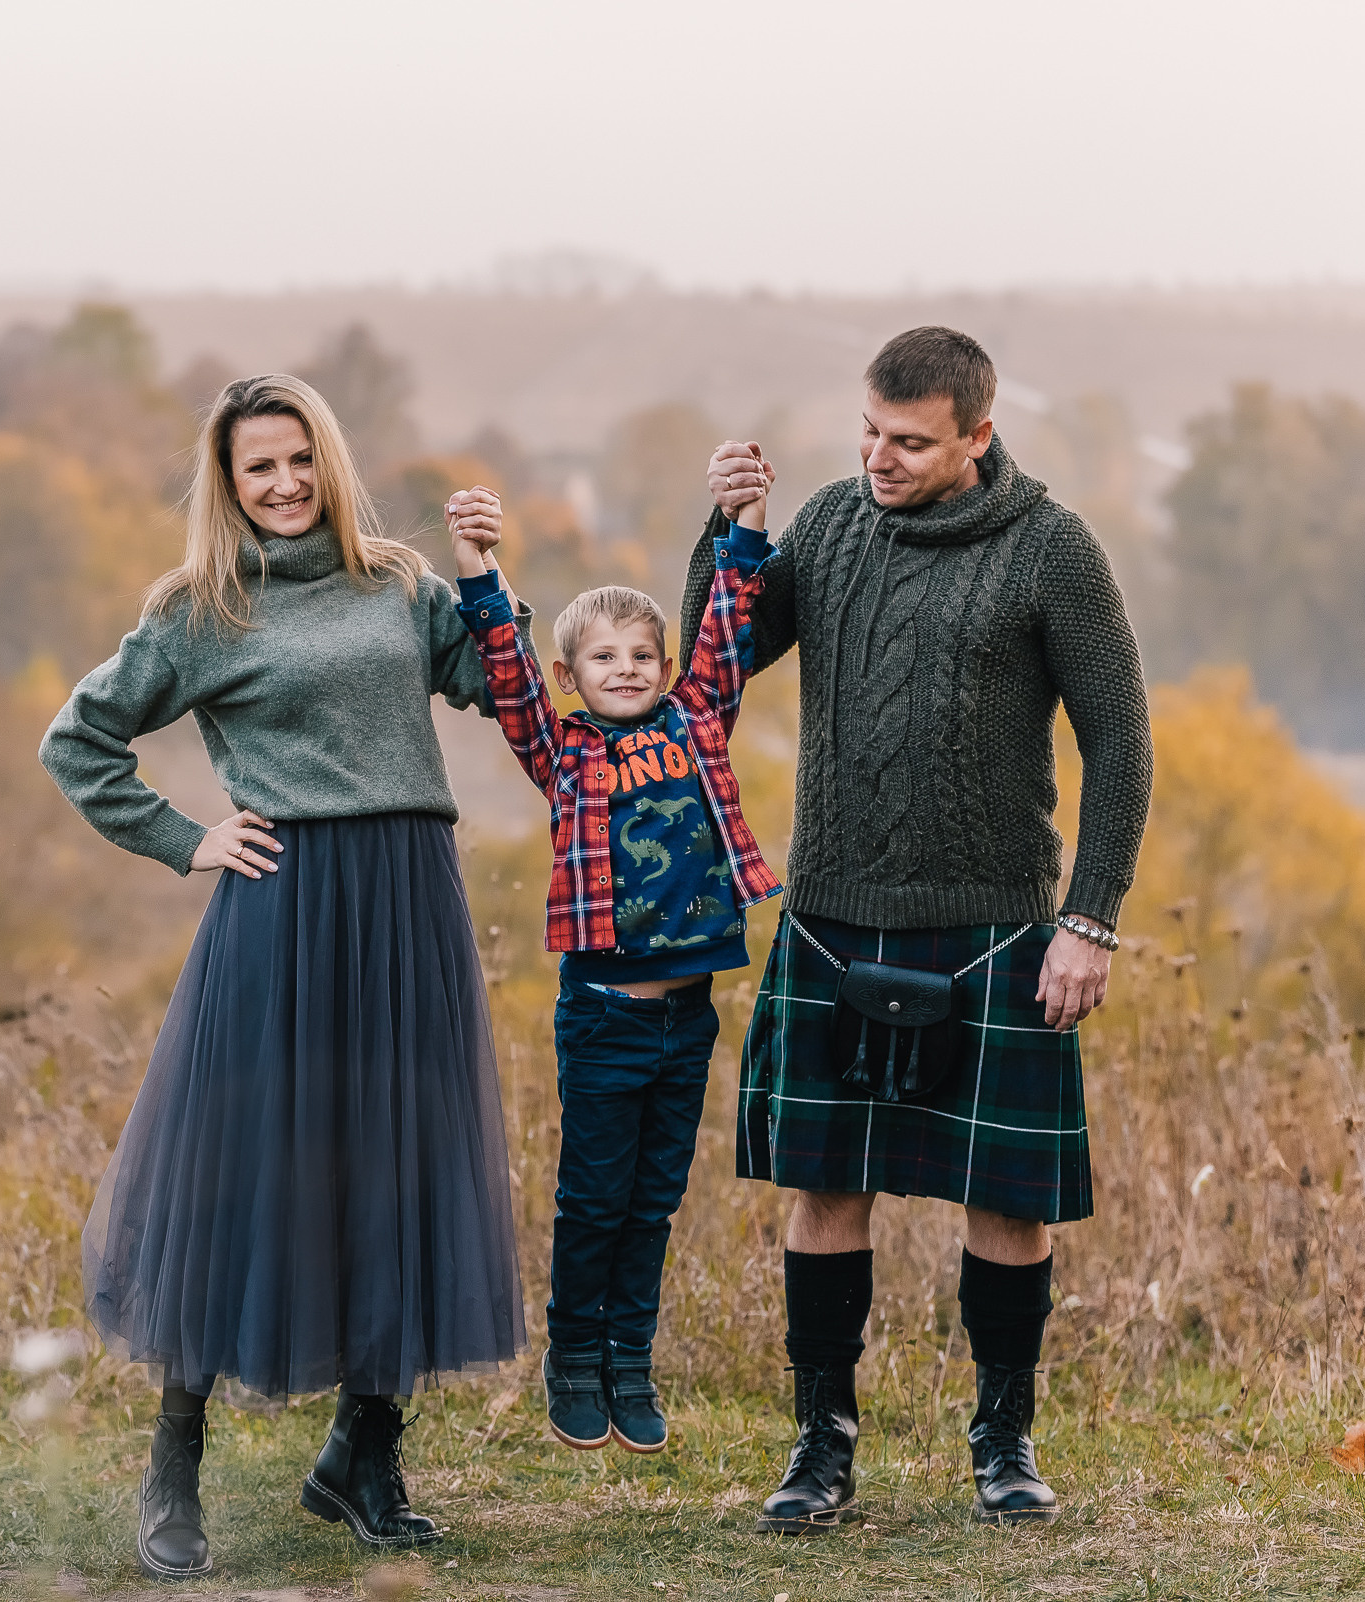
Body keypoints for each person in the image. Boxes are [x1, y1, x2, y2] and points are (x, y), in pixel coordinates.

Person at [39, 374, 527, 1579]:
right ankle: (174, 1463)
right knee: (240, 1174)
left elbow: (493, 684)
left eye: (302, 459)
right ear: (229, 484)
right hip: (286, 909)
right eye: (260, 467)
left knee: (401, 1160)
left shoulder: (399, 582)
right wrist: (187, 838)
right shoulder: (202, 609)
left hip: (410, 896)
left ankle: (365, 1455)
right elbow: (78, 740)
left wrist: (483, 572)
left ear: (332, 461)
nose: (286, 484)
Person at [684, 326, 1154, 1531]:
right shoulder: (834, 525)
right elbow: (716, 667)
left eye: (909, 442)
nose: (879, 458)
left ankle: (1003, 1437)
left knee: (1006, 1200)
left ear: (977, 437)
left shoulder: (1052, 550)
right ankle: (821, 1443)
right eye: (869, 433)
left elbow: (1123, 746)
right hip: (835, 915)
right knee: (824, 1185)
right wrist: (725, 536)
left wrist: (1089, 919)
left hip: (998, 926)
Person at [444, 475, 780, 1459]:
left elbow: (729, 623)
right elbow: (501, 671)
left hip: (688, 1020)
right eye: (603, 657)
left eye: (642, 655)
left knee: (654, 1201)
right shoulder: (563, 752)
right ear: (571, 673)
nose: (626, 669)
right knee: (594, 1201)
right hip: (602, 1017)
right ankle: (572, 1364)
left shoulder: (698, 722)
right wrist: (479, 561)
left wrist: (745, 519)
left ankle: (630, 1360)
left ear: (666, 666)